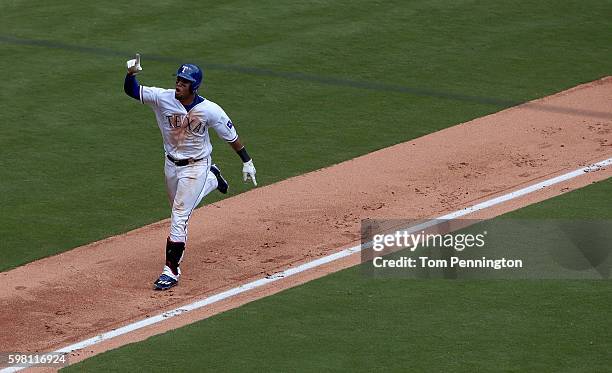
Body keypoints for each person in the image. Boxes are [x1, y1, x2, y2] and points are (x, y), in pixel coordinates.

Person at [123, 54, 257, 290]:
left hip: (196, 165)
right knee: (178, 207)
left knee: (179, 216)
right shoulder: (163, 98)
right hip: (171, 164)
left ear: (193, 87)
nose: (178, 85)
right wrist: (130, 74)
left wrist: (247, 161)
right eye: (178, 80)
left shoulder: (210, 110)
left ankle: (171, 270)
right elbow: (133, 91)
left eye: (184, 83)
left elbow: (231, 135)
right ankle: (213, 179)